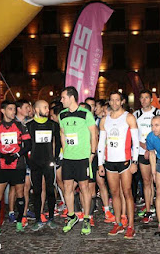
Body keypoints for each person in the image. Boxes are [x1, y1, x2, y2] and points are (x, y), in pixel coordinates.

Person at [98, 91, 139, 239]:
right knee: (114, 193)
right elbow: (101, 143)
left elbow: (136, 141)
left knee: (127, 193)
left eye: (117, 100)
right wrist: (100, 163)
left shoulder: (129, 117)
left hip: (125, 161)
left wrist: (135, 161)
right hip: (110, 162)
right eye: (112, 100)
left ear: (122, 102)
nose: (114, 103)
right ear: (109, 102)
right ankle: (118, 223)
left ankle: (131, 226)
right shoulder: (104, 120)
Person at [0, 100, 32, 237]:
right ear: (3, 111)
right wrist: (3, 155)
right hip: (2, 165)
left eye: (14, 109)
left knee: (20, 193)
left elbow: (28, 145)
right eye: (10, 109)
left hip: (18, 165)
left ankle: (19, 222)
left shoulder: (21, 126)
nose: (13, 112)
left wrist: (16, 155)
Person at [59, 86, 97, 235]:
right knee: (67, 188)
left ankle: (86, 218)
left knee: (84, 188)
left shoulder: (85, 114)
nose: (61, 100)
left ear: (71, 98)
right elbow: (62, 133)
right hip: (68, 158)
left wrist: (92, 153)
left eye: (63, 97)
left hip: (82, 158)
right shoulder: (62, 115)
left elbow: (94, 134)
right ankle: (71, 216)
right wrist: (65, 150)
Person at [133, 89, 160, 223]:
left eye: (146, 98)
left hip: (159, 153)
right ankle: (148, 210)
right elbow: (133, 134)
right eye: (141, 98)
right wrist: (143, 146)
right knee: (146, 182)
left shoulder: (159, 113)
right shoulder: (136, 114)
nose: (144, 100)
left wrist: (152, 147)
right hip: (143, 152)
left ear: (151, 99)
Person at [26, 100, 61, 231]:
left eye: (47, 107)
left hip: (49, 163)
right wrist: (28, 161)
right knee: (37, 192)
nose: (47, 110)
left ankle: (51, 218)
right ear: (36, 109)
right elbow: (25, 145)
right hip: (35, 163)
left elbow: (58, 143)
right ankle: (38, 219)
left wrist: (55, 157)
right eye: (45, 107)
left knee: (51, 190)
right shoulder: (29, 126)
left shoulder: (53, 125)